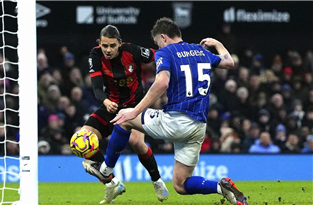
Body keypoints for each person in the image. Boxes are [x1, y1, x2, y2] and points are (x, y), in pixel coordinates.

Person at [83, 17, 248, 205]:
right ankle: (220, 187)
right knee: (181, 184)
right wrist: (217, 44)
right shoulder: (200, 51)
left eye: (157, 43)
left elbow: (162, 82)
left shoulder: (166, 52)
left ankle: (105, 171)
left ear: (163, 37)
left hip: (177, 119)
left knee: (124, 118)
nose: (158, 46)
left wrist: (135, 111)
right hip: (199, 126)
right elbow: (229, 63)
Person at [74, 25, 168, 204]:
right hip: (111, 106)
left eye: (112, 46)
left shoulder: (132, 51)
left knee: (136, 143)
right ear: (99, 44)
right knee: (80, 140)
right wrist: (106, 101)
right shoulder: (95, 56)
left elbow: (159, 55)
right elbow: (96, 86)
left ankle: (156, 180)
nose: (108, 50)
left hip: (135, 108)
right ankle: (112, 183)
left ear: (120, 43)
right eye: (104, 46)